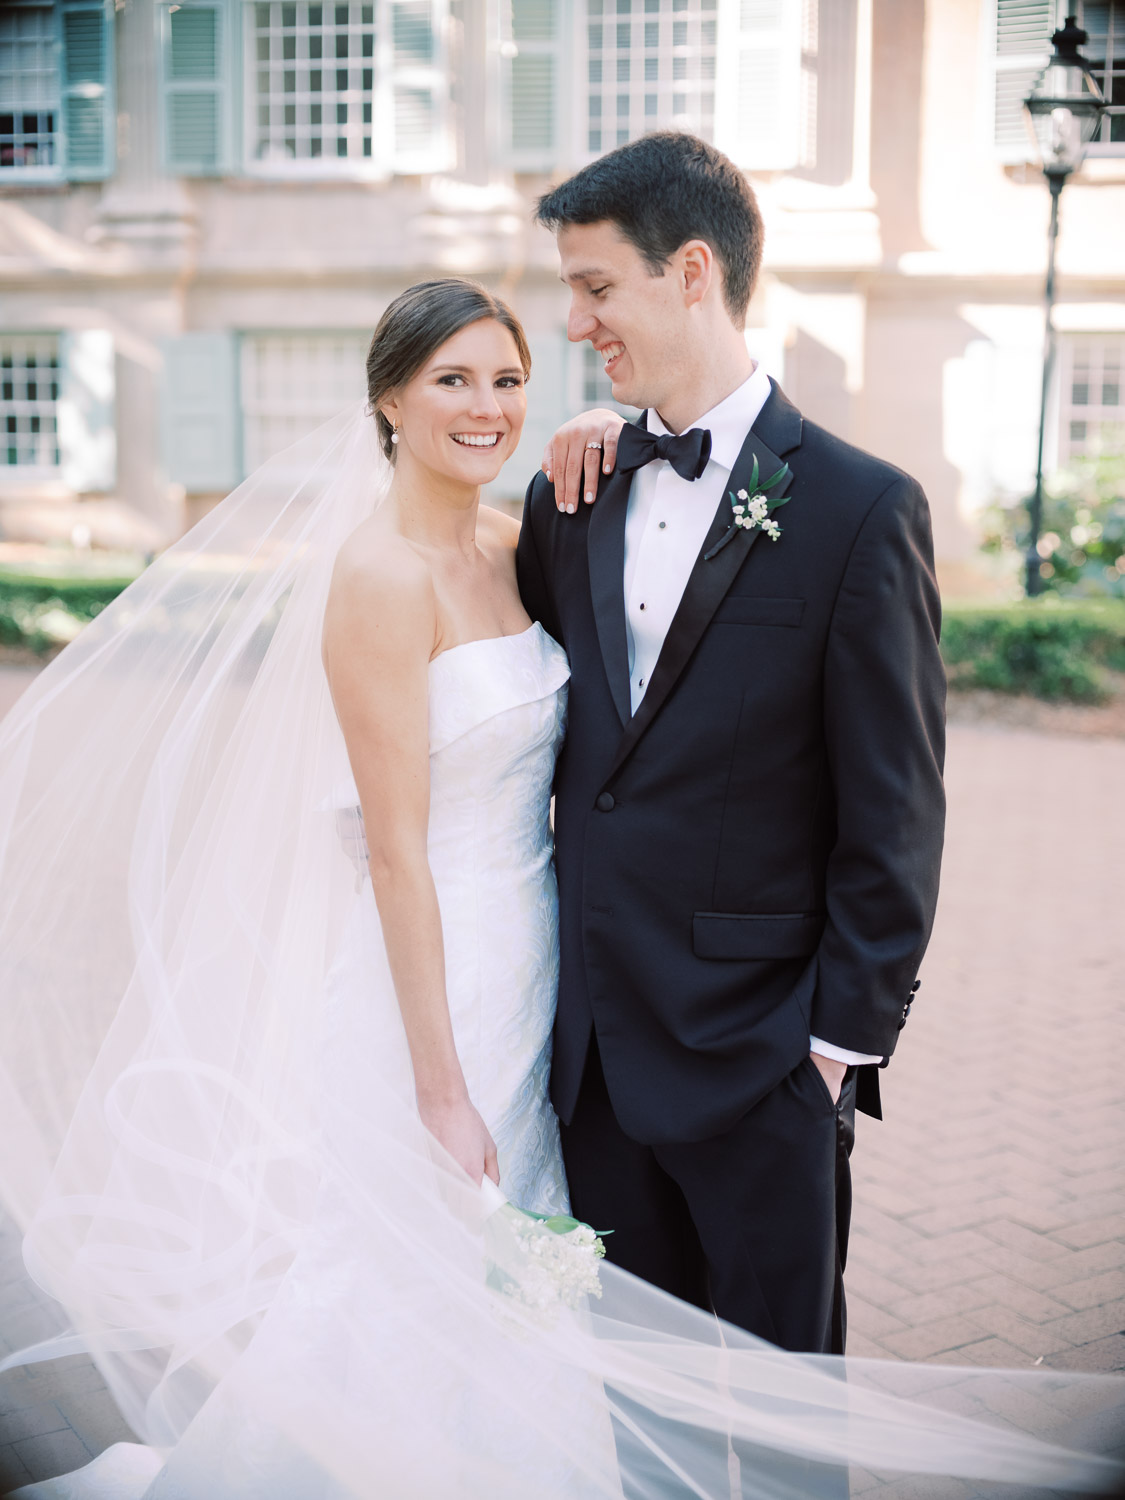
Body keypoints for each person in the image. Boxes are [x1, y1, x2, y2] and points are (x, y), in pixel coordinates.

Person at [0, 278, 1119, 1500]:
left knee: (533, 1295)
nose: (488, 407)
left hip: (558, 977)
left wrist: (608, 435)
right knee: (413, 1280)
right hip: (439, 990)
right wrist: (437, 1085)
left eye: (509, 379)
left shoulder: (519, 534)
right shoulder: (374, 579)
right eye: (452, 380)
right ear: (387, 397)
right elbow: (390, 853)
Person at [517, 130, 946, 1359]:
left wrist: (831, 1054)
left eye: (596, 287)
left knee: (791, 1420)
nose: (573, 322)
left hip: (763, 1062)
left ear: (690, 270)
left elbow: (896, 812)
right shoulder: (571, 494)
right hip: (593, 1062)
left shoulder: (864, 510)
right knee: (640, 1413)